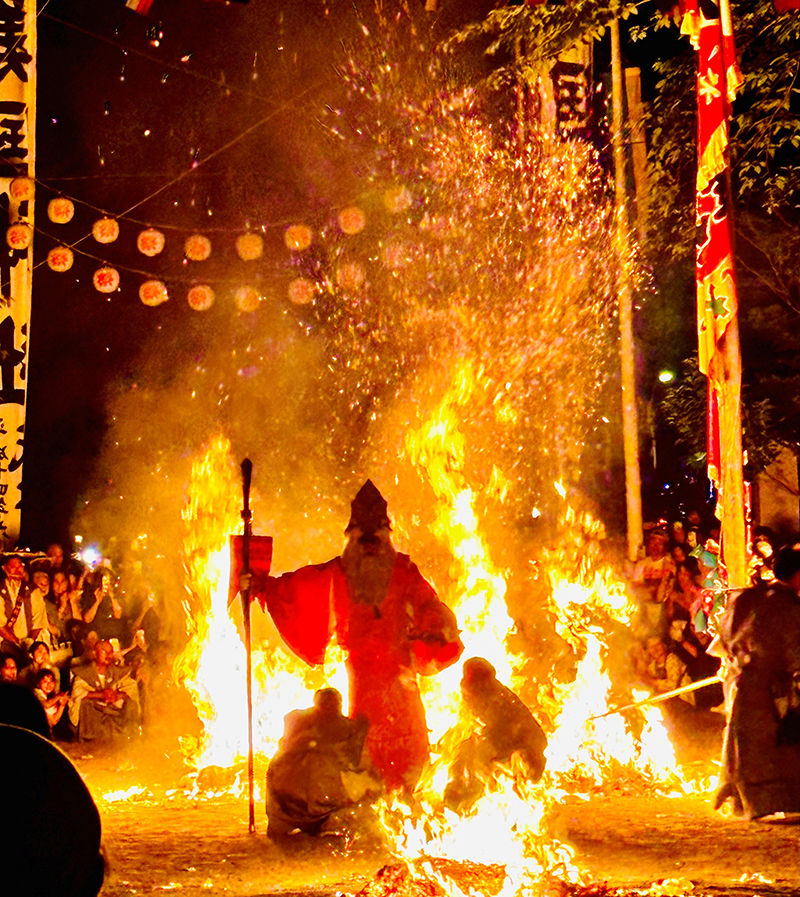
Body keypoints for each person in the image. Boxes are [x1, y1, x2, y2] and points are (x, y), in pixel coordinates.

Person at [257, 480, 464, 792]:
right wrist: (260, 585)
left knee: (407, 758)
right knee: (367, 754)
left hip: (399, 678)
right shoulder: (339, 573)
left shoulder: (404, 572)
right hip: (362, 681)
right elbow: (296, 591)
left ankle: (410, 803)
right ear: (352, 537)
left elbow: (429, 606)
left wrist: (430, 634)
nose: (369, 545)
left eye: (375, 537)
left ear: (386, 536)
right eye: (362, 538)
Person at [712, 548, 799, 820]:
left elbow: (725, 635)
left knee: (746, 745)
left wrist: (736, 659)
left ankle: (744, 800)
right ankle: (752, 802)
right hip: (772, 689)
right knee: (769, 746)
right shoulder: (788, 608)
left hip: (745, 683)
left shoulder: (749, 599)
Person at [266, 687, 381, 840]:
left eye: (334, 704)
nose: (331, 707)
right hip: (302, 791)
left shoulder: (303, 720)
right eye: (327, 703)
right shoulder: (301, 720)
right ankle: (314, 820)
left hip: (296, 794)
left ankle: (310, 821)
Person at [444, 657, 547, 813]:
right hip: (512, 748)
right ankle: (460, 793)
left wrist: (487, 739)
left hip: (521, 751)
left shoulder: (495, 698)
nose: (466, 686)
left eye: (470, 680)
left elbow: (510, 729)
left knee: (475, 754)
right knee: (467, 750)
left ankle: (470, 795)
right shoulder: (485, 695)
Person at [68, 639, 140, 742]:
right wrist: (101, 695)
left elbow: (131, 686)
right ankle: (90, 738)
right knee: (85, 704)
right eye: (105, 652)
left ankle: (128, 738)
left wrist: (117, 695)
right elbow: (77, 692)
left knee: (131, 704)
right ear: (94, 654)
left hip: (113, 708)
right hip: (95, 710)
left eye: (110, 652)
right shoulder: (85, 672)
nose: (109, 656)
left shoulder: (117, 672)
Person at [0, 554, 48, 660]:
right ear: (4, 568)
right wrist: (18, 643)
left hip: (30, 644)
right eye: (13, 566)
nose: (17, 570)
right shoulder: (0, 591)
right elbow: (0, 626)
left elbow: (39, 620)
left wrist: (29, 643)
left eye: (20, 566)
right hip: (5, 643)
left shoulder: (33, 591)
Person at [32, 667, 70, 738]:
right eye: (45, 682)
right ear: (38, 683)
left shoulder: (52, 698)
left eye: (51, 681)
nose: (48, 685)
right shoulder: (36, 693)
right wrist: (59, 696)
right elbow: (46, 704)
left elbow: (53, 721)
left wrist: (62, 705)